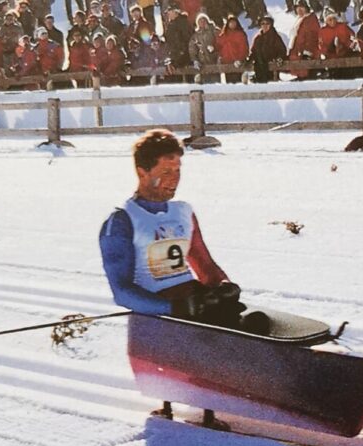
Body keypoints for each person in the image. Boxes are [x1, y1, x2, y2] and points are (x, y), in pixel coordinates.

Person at [99, 129, 261, 332]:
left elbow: (205, 266)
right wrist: (174, 308)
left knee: (258, 321)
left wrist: (223, 284)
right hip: (159, 319)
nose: (174, 179)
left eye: (177, 171)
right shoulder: (121, 221)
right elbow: (121, 292)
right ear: (142, 172)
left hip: (193, 303)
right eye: (166, 172)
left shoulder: (183, 212)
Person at [249, 14, 286, 83]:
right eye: (263, 23)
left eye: (267, 23)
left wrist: (279, 58)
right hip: (259, 68)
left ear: (271, 25)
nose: (265, 25)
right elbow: (253, 52)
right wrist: (249, 59)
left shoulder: (275, 37)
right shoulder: (258, 38)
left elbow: (282, 50)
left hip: (272, 68)